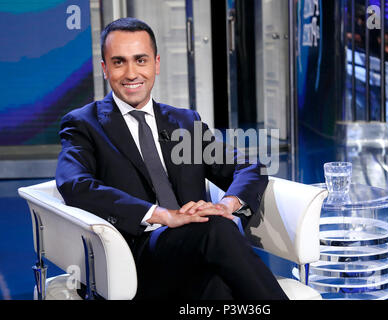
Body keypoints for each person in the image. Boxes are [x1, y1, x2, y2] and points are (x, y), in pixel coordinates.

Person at [55, 17, 287, 300]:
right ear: (105, 69)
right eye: (119, 62)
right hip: (133, 258)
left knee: (217, 282)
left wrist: (227, 205)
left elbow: (247, 166)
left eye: (140, 60)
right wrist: (163, 216)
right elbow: (75, 184)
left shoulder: (183, 122)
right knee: (216, 229)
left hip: (196, 251)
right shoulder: (84, 124)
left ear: (156, 64)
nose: (131, 73)